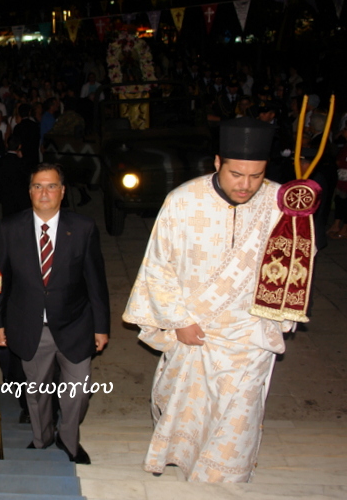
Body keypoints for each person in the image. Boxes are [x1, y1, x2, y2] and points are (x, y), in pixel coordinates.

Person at [122, 117, 294, 482]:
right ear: (218, 162)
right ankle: (184, 459)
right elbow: (159, 267)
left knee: (240, 412)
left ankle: (225, 479)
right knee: (186, 405)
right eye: (237, 174)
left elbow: (293, 265)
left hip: (250, 332)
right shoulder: (182, 201)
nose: (246, 185)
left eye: (256, 176)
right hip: (194, 328)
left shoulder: (280, 203)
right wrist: (179, 321)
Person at [0, 163, 110, 465]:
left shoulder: (82, 227)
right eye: (38, 186)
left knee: (78, 392)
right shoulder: (10, 228)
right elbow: (0, 280)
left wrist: (101, 326)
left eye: (51, 186)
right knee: (37, 393)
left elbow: (95, 281)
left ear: (62, 191)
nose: (44, 193)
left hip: (76, 324)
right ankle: (42, 437)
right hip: (30, 327)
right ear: (29, 191)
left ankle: (69, 441)